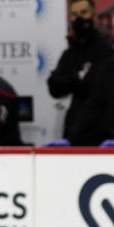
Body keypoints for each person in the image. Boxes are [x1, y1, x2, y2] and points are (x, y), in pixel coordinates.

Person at [46, 0, 114, 145]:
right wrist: (78, 77)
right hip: (74, 131)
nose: (79, 18)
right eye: (74, 15)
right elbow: (54, 87)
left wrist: (74, 81)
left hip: (101, 135)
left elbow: (96, 88)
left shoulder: (106, 50)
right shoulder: (70, 53)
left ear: (94, 16)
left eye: (83, 13)